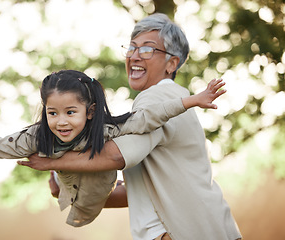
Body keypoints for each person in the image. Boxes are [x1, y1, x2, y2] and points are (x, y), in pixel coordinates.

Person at [18, 14, 242, 240]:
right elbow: (135, 193)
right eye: (132, 48)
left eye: (147, 49)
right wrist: (69, 191)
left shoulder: (157, 97)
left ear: (172, 63)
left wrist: (53, 162)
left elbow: (115, 157)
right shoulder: (170, 99)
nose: (135, 56)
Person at [0, 69, 224, 228]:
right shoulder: (38, 137)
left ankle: (72, 177)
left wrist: (192, 100)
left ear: (90, 111)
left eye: (70, 112)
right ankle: (57, 178)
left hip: (100, 185)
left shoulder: (106, 129)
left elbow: (147, 118)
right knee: (60, 193)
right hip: (73, 190)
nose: (61, 121)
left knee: (102, 190)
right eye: (52, 113)